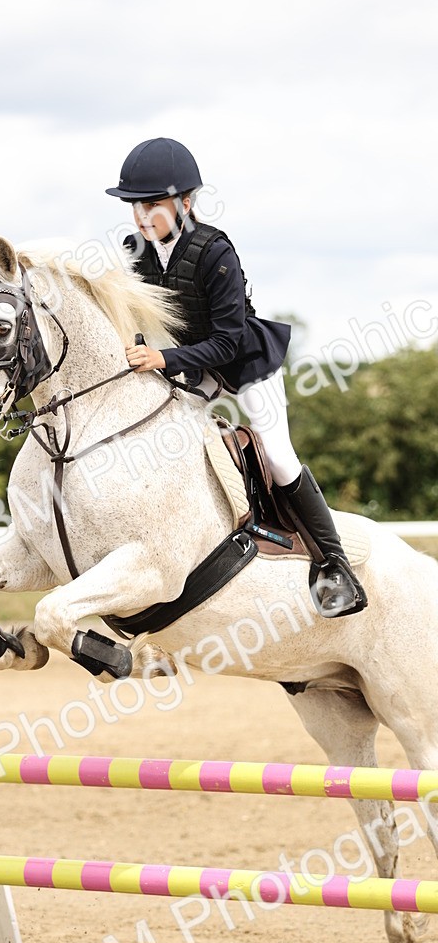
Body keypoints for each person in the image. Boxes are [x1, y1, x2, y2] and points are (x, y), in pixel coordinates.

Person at [105, 137, 367, 618]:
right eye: (135, 206)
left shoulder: (215, 251)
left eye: (152, 205)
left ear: (184, 202)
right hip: (191, 363)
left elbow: (227, 341)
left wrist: (162, 359)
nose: (142, 217)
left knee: (278, 454)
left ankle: (336, 566)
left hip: (243, 363)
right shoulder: (135, 250)